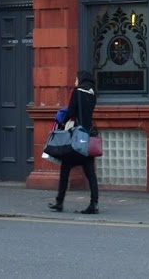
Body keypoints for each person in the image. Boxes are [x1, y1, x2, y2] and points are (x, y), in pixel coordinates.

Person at [49, 70, 99, 214]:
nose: (75, 81)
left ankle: (59, 202)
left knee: (65, 169)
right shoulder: (93, 93)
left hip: (76, 136)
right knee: (90, 172)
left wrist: (61, 120)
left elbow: (71, 111)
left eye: (76, 78)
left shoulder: (77, 91)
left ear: (80, 79)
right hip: (87, 135)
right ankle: (94, 203)